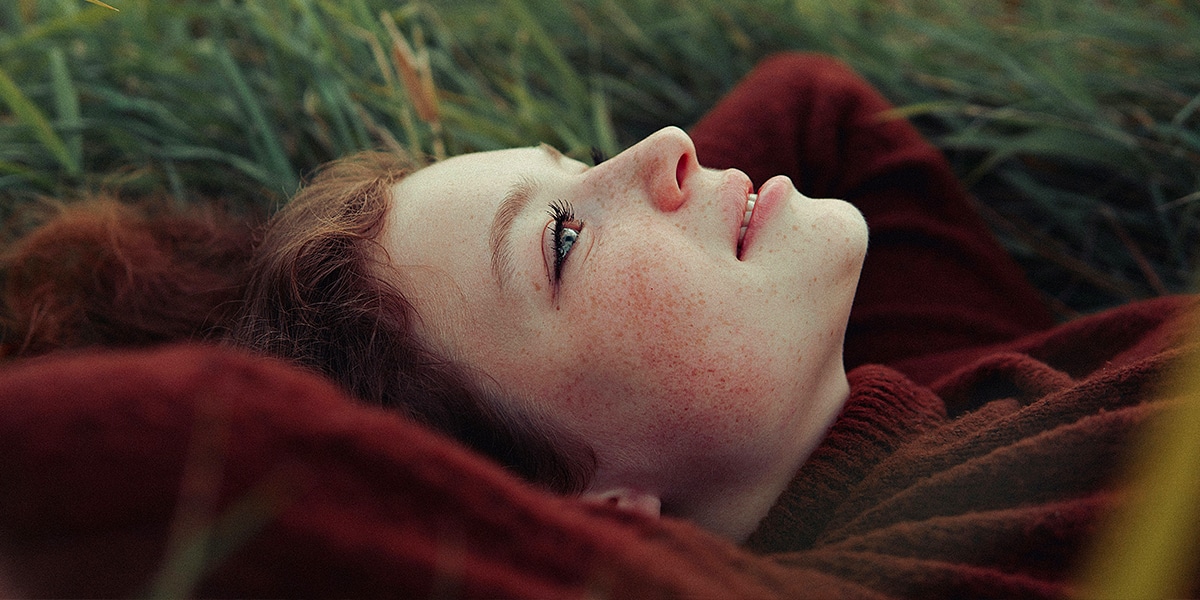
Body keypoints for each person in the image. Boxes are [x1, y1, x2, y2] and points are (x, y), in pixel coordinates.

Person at [1, 52, 1196, 598]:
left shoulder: (931, 374)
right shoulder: (926, 564)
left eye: (576, 162)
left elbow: (810, 104)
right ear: (595, 523)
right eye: (563, 238)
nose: (666, 150)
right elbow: (211, 444)